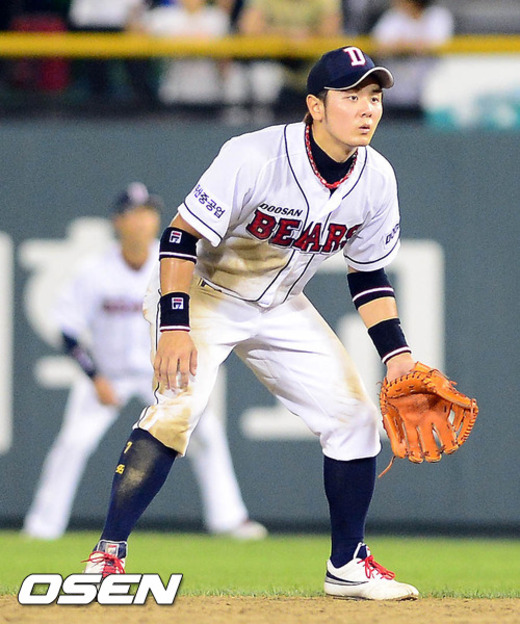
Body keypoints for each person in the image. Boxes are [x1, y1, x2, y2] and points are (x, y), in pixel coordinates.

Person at [83, 47, 422, 601]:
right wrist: (175, 326)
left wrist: (398, 356)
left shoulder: (377, 178)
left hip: (281, 303)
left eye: (374, 97)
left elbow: (367, 275)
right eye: (351, 96)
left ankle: (347, 565)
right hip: (204, 294)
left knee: (356, 419)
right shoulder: (256, 155)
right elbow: (179, 237)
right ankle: (107, 555)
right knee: (178, 408)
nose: (367, 109)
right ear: (315, 106)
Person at [23, 182, 267, 541]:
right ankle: (43, 526)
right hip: (109, 373)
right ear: (118, 222)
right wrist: (94, 377)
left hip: (162, 369)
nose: (143, 221)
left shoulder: (172, 260)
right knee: (73, 442)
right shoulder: (95, 270)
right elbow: (67, 328)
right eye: (134, 214)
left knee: (208, 434)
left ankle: (229, 519)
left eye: (149, 213)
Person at [138, 0, 230, 110]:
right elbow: (138, 29)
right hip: (174, 93)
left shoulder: (216, 17)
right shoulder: (166, 15)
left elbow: (225, 59)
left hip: (209, 93)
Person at [370, 0, 455, 118]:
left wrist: (403, 46)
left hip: (425, 96)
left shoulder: (437, 16)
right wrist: (408, 47)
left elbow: (436, 44)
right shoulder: (393, 17)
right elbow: (378, 46)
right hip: (393, 94)